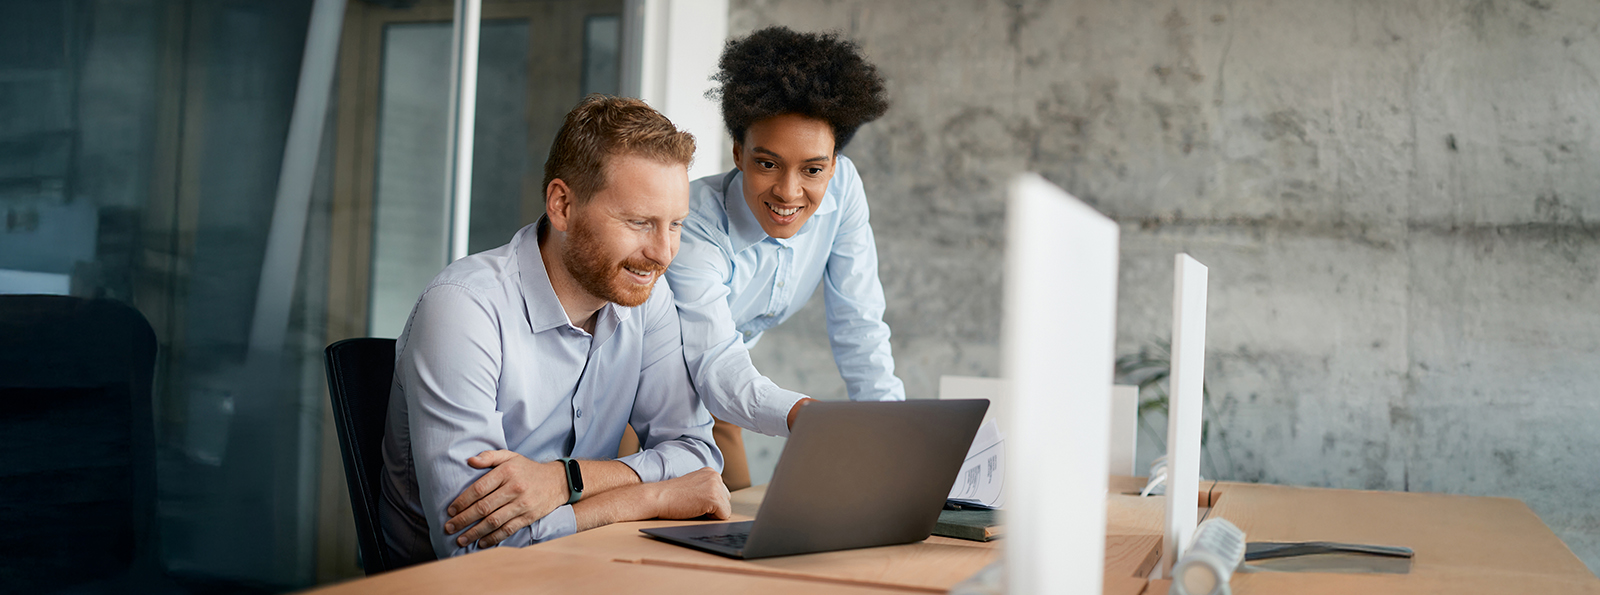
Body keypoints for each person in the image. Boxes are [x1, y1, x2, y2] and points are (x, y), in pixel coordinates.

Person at [378, 95, 728, 566]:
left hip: (588, 570)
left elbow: (697, 456)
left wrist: (565, 480)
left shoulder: (647, 296)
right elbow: (479, 546)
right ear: (562, 205)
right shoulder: (462, 309)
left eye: (676, 225)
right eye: (640, 223)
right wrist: (651, 498)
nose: (663, 253)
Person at [666, 26, 904, 489]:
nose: (789, 192)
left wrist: (893, 432)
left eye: (813, 169)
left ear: (834, 164)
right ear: (738, 152)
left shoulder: (844, 189)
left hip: (726, 393)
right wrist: (803, 415)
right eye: (767, 163)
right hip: (643, 396)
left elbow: (860, 323)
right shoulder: (693, 223)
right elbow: (712, 360)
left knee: (735, 526)